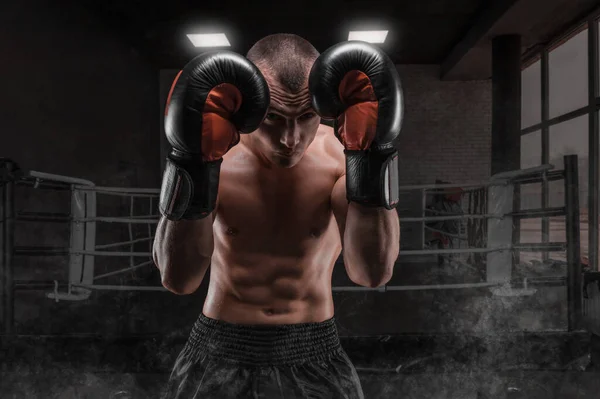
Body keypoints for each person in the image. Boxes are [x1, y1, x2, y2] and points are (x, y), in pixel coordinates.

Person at [154, 33, 402, 399]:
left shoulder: (341, 159)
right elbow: (178, 280)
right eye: (272, 116)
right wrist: (191, 162)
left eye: (306, 116)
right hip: (219, 348)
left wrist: (371, 160)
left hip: (314, 351)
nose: (290, 138)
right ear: (248, 104)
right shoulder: (216, 159)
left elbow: (372, 273)